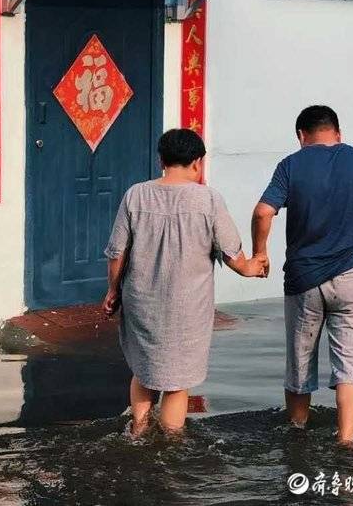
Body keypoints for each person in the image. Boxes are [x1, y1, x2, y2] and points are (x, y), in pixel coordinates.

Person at [251, 105, 353, 446]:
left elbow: (264, 212)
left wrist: (260, 253)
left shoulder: (290, 165)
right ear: (338, 134)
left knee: (299, 364)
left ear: (301, 136)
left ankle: (296, 437)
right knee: (350, 366)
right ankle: (347, 442)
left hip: (303, 280)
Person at [103, 129, 267, 437]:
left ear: (161, 160)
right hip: (187, 308)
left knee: (143, 369)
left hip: (141, 303)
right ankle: (171, 441)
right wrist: (253, 268)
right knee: (177, 383)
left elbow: (116, 252)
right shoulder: (208, 199)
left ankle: (137, 430)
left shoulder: (135, 195)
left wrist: (113, 290)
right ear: (197, 163)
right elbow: (234, 255)